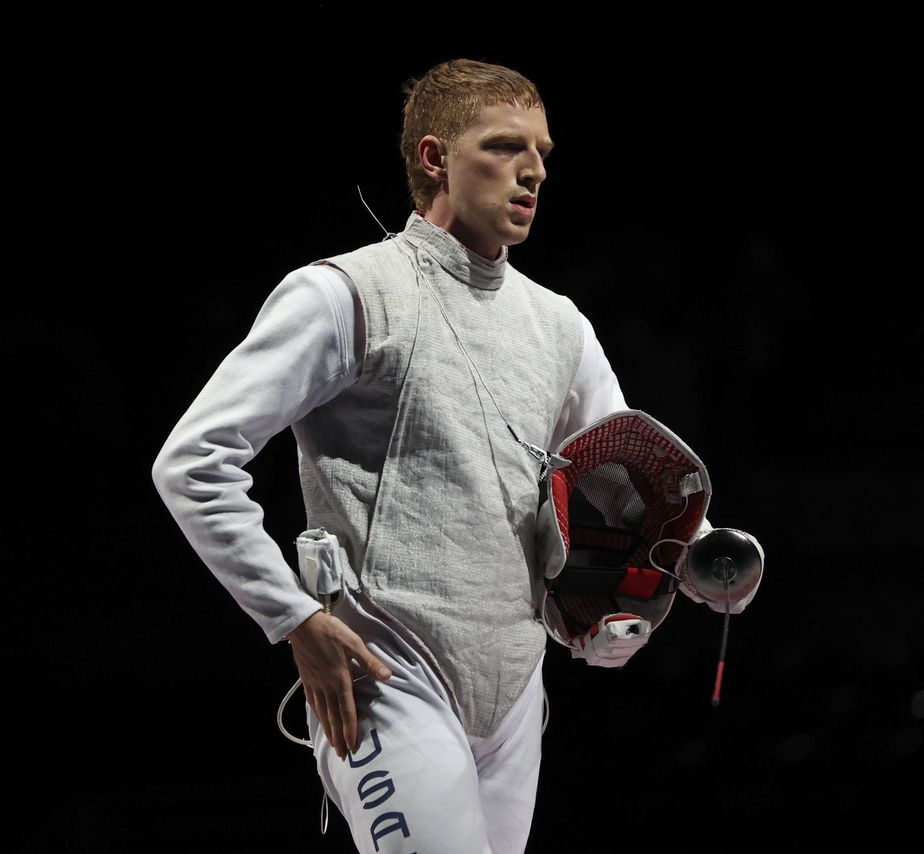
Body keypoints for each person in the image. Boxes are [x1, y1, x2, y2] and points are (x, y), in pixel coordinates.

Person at [152, 58, 648, 853]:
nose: (533, 171)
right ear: (434, 158)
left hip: (516, 688)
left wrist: (673, 564)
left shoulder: (560, 327)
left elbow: (630, 484)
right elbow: (194, 460)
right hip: (386, 672)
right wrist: (294, 619)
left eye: (543, 152)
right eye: (503, 146)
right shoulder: (348, 293)